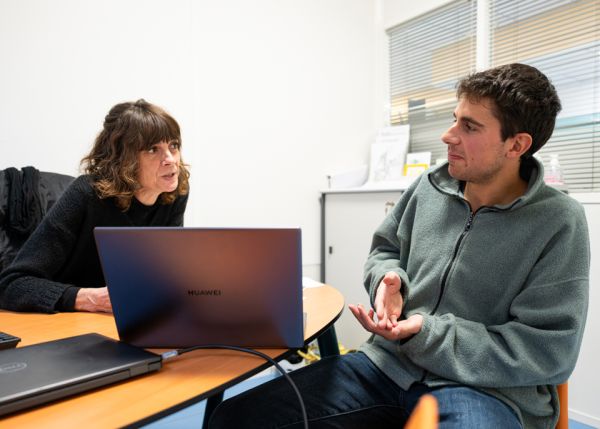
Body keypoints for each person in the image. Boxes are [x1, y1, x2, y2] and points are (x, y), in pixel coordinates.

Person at [208, 63, 590, 429]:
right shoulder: (428, 188)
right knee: (234, 419)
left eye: (469, 126)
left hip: (484, 390)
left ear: (516, 145)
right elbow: (384, 250)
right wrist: (390, 280)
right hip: (387, 365)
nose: (449, 135)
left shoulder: (558, 222)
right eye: (454, 118)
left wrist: (427, 332)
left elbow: (548, 349)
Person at [0, 99, 190, 313]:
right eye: (153, 149)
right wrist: (86, 297)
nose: (170, 159)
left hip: (123, 318)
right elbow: (12, 284)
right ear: (125, 158)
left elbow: (163, 273)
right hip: (67, 323)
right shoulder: (86, 194)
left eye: (173, 145)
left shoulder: (174, 192)